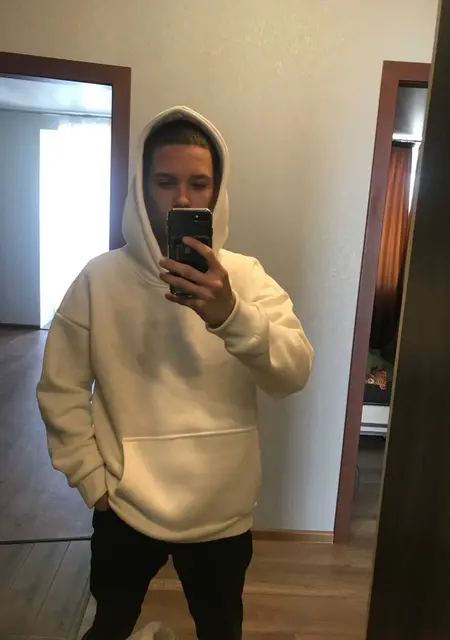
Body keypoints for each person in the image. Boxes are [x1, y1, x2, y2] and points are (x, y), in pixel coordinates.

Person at [37, 106, 313, 640]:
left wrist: (231, 314)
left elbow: (294, 372)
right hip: (124, 502)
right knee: (110, 624)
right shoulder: (99, 280)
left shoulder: (246, 278)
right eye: (165, 182)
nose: (182, 199)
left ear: (217, 190)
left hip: (222, 508)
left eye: (198, 183)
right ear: (142, 188)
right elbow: (60, 389)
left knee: (220, 628)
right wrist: (91, 479)